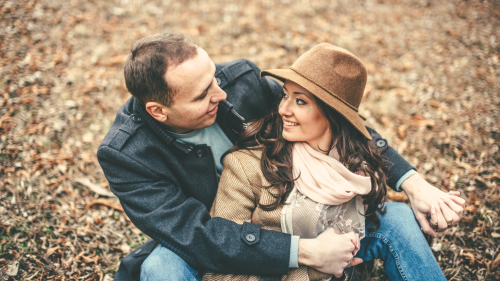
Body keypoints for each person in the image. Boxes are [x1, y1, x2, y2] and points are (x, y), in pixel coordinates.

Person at [96, 33, 465, 281]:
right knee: (161, 267)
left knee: (397, 218)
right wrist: (302, 252)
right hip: (213, 235)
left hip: (289, 210)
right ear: (158, 111)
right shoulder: (127, 155)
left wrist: (411, 182)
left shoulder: (239, 81)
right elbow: (197, 235)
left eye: (214, 78)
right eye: (202, 94)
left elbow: (334, 118)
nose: (221, 94)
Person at [203, 43, 449, 281]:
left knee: (399, 218)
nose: (283, 109)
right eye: (285, 95)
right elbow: (220, 262)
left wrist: (416, 187)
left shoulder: (355, 166)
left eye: (300, 101)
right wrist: (314, 265)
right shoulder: (246, 166)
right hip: (283, 270)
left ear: (334, 116)